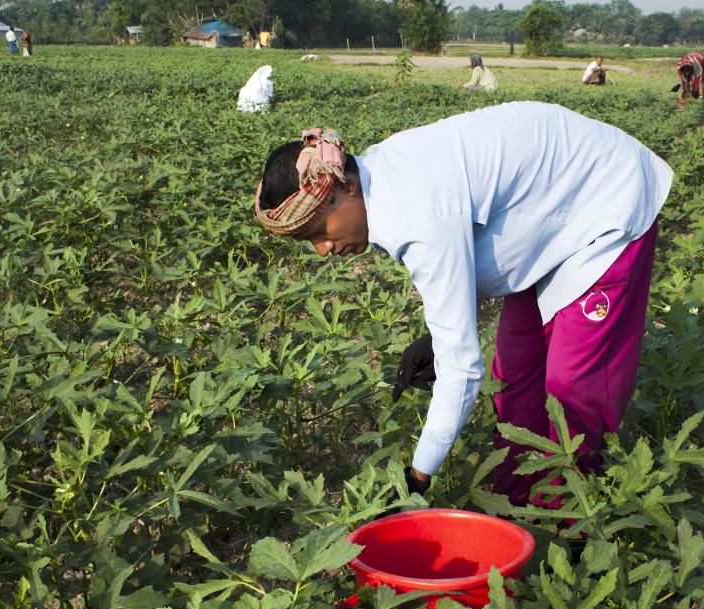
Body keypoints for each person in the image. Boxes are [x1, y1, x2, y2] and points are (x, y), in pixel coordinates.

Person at [253, 103, 673, 503]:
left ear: (346, 185)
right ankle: (515, 506)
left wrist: (417, 477)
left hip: (605, 203)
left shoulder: (415, 215)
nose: (323, 249)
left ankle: (574, 526)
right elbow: (463, 254)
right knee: (513, 373)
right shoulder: (381, 180)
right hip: (546, 214)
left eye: (319, 231)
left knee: (572, 389)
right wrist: (438, 340)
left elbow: (462, 370)